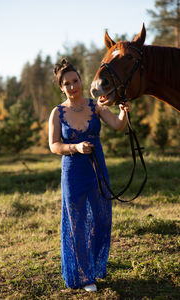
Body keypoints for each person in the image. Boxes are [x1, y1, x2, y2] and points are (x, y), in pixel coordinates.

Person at [48, 58, 132, 292]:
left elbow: (117, 125)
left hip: (97, 169)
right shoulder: (57, 112)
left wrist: (124, 113)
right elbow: (54, 146)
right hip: (73, 171)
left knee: (102, 219)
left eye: (76, 81)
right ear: (61, 87)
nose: (73, 86)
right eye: (68, 83)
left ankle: (94, 265)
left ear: (81, 80)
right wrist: (74, 148)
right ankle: (86, 276)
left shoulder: (95, 105)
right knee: (77, 224)